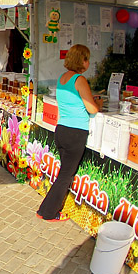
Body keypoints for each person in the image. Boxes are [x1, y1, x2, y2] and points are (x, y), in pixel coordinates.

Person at [37, 44, 102, 222]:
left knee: (63, 173)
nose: (88, 62)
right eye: (87, 58)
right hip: (76, 132)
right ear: (81, 60)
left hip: (62, 130)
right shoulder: (80, 80)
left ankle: (45, 209)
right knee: (66, 175)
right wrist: (98, 105)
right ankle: (48, 212)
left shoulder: (62, 78)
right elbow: (92, 109)